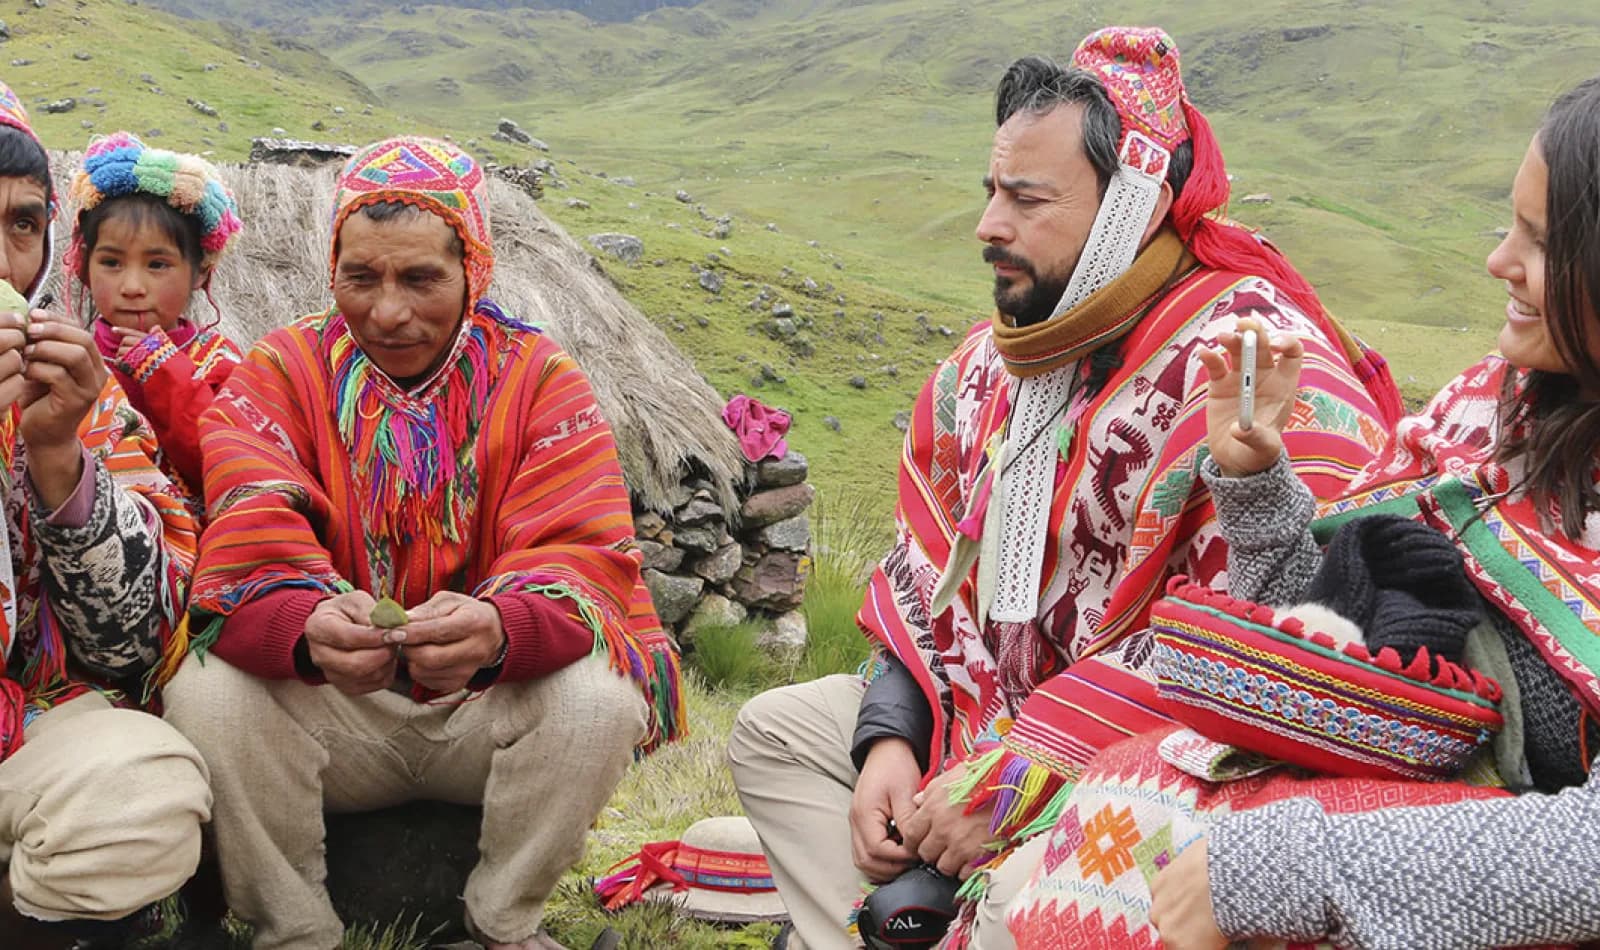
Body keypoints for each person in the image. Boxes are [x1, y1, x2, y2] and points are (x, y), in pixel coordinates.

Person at [727, 26, 1404, 950]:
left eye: (1027, 199)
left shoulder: (1255, 367)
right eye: (990, 192)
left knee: (1030, 907)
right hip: (979, 719)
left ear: (1134, 206)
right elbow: (930, 589)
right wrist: (889, 734)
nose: (988, 227)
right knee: (776, 732)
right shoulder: (986, 371)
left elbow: (1279, 637)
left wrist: (1026, 769)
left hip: (1163, 754)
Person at [160, 135, 684, 950]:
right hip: (334, 720)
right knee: (206, 692)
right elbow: (247, 541)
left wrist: (499, 631)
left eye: (421, 278)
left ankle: (503, 924)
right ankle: (293, 930)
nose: (388, 310)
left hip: (483, 712)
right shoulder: (281, 372)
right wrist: (304, 629)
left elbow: (581, 559)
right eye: (360, 277)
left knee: (600, 698)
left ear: (473, 269)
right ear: (331, 264)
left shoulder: (541, 381)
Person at [1136, 73, 1600, 950]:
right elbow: (1341, 641)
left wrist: (1283, 870)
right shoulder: (1492, 417)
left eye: (1541, 243)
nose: (1499, 261)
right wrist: (1255, 478)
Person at [0, 84, 211, 947]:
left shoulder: (79, 389)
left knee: (144, 789)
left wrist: (58, 462)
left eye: (20, 224)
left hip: (21, 724)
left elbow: (135, 646)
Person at [65, 131, 244, 500]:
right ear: (85, 265)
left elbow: (227, 467)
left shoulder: (220, 364)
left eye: (157, 264)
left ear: (201, 272)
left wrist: (162, 369)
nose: (132, 286)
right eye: (111, 262)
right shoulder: (70, 357)